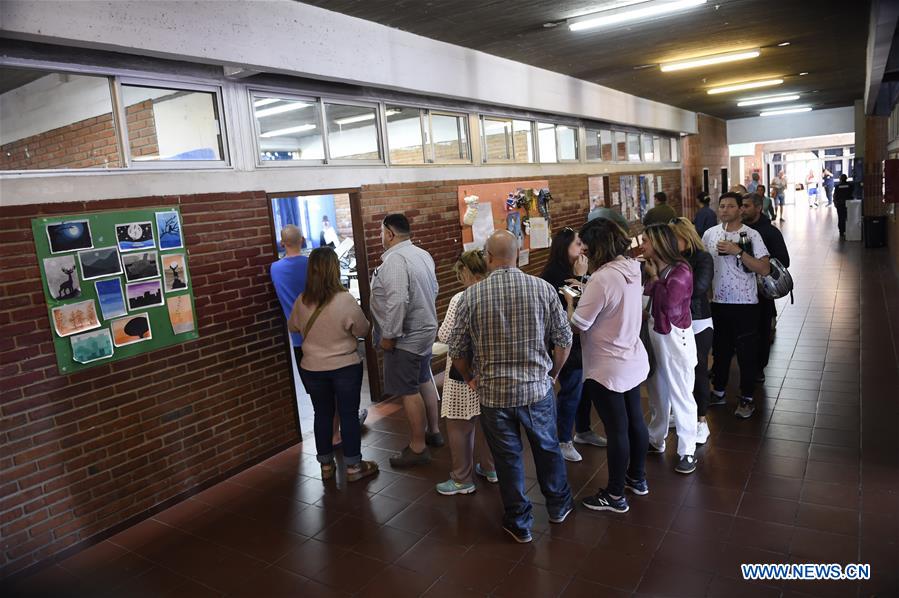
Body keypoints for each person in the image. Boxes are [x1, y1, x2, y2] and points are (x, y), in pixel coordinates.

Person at [448, 231, 574, 543]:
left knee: (507, 458)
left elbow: (457, 349)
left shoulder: (470, 297)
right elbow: (564, 338)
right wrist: (553, 373)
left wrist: (470, 378)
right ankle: (558, 506)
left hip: (493, 394)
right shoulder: (542, 288)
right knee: (547, 449)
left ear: (488, 257)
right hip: (536, 390)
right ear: (517, 254)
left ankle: (519, 522)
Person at [566, 218, 649, 514]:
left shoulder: (602, 277)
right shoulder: (631, 267)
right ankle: (637, 478)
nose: (582, 255)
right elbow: (613, 301)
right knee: (635, 422)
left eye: (586, 250)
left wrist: (569, 300)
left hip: (606, 366)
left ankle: (615, 495)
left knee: (617, 431)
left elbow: (578, 325)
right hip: (631, 357)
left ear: (598, 248)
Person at [287, 248, 378, 482]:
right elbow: (363, 329)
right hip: (344, 367)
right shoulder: (344, 299)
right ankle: (354, 467)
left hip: (312, 368)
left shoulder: (302, 301)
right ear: (334, 269)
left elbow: (293, 327)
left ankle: (326, 467)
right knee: (348, 415)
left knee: (322, 415)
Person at [271, 225, 367, 442]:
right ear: (303, 240)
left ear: (281, 242)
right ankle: (349, 453)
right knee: (345, 406)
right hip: (337, 344)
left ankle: (331, 441)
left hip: (302, 344)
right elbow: (362, 328)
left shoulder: (275, 269)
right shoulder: (314, 266)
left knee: (321, 406)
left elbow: (292, 325)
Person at [370, 214, 443, 468]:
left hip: (405, 337)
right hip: (424, 330)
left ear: (390, 233)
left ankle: (417, 446)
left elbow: (398, 300)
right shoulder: (422, 254)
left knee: (408, 391)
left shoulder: (395, 260)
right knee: (424, 378)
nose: (380, 237)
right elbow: (434, 289)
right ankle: (434, 431)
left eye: (381, 232)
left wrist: (389, 335)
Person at [540, 228, 607, 463]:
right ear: (564, 248)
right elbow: (573, 308)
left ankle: (584, 430)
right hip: (566, 342)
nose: (583, 248)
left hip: (583, 340)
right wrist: (580, 278)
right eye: (578, 244)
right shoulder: (553, 275)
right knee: (571, 391)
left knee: (584, 389)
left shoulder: (575, 270)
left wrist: (582, 277)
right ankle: (562, 440)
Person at [702, 193, 771, 419]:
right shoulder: (710, 234)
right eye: (721, 206)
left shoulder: (752, 235)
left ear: (741, 209)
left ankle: (747, 398)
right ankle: (719, 391)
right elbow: (704, 265)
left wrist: (738, 252)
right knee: (720, 351)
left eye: (730, 206)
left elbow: (764, 268)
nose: (724, 210)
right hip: (719, 302)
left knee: (746, 353)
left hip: (745, 303)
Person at [435, 250, 497, 495]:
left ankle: (462, 479)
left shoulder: (461, 298)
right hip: (491, 369)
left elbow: (446, 334)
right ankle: (491, 468)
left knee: (460, 425)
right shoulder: (498, 293)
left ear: (468, 272)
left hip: (463, 372)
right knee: (488, 423)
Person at [642, 224, 698, 474]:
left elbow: (670, 305)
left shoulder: (681, 271)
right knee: (657, 389)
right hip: (656, 335)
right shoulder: (651, 267)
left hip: (676, 339)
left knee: (681, 392)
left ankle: (687, 450)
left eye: (645, 241)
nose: (641, 245)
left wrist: (654, 280)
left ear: (659, 243)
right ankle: (656, 438)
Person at [670, 218, 714, 446]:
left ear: (685, 237)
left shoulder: (702, 258)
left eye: (672, 238)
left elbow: (698, 288)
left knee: (697, 370)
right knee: (676, 370)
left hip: (698, 320)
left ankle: (701, 420)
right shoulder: (671, 258)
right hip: (674, 321)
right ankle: (679, 413)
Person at [741, 193, 790, 381]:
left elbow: (784, 260)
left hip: (761, 292)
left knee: (761, 331)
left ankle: (759, 367)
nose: (742, 209)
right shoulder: (738, 230)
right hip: (741, 290)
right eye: (742, 206)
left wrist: (760, 264)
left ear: (758, 208)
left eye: (746, 206)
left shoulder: (770, 232)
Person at [833, 174, 854, 239]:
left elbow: (835, 195)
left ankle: (841, 231)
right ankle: (848, 230)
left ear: (840, 179)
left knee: (840, 217)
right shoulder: (850, 185)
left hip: (840, 204)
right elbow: (852, 193)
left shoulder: (837, 186)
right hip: (848, 203)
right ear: (846, 178)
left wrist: (835, 203)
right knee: (848, 217)